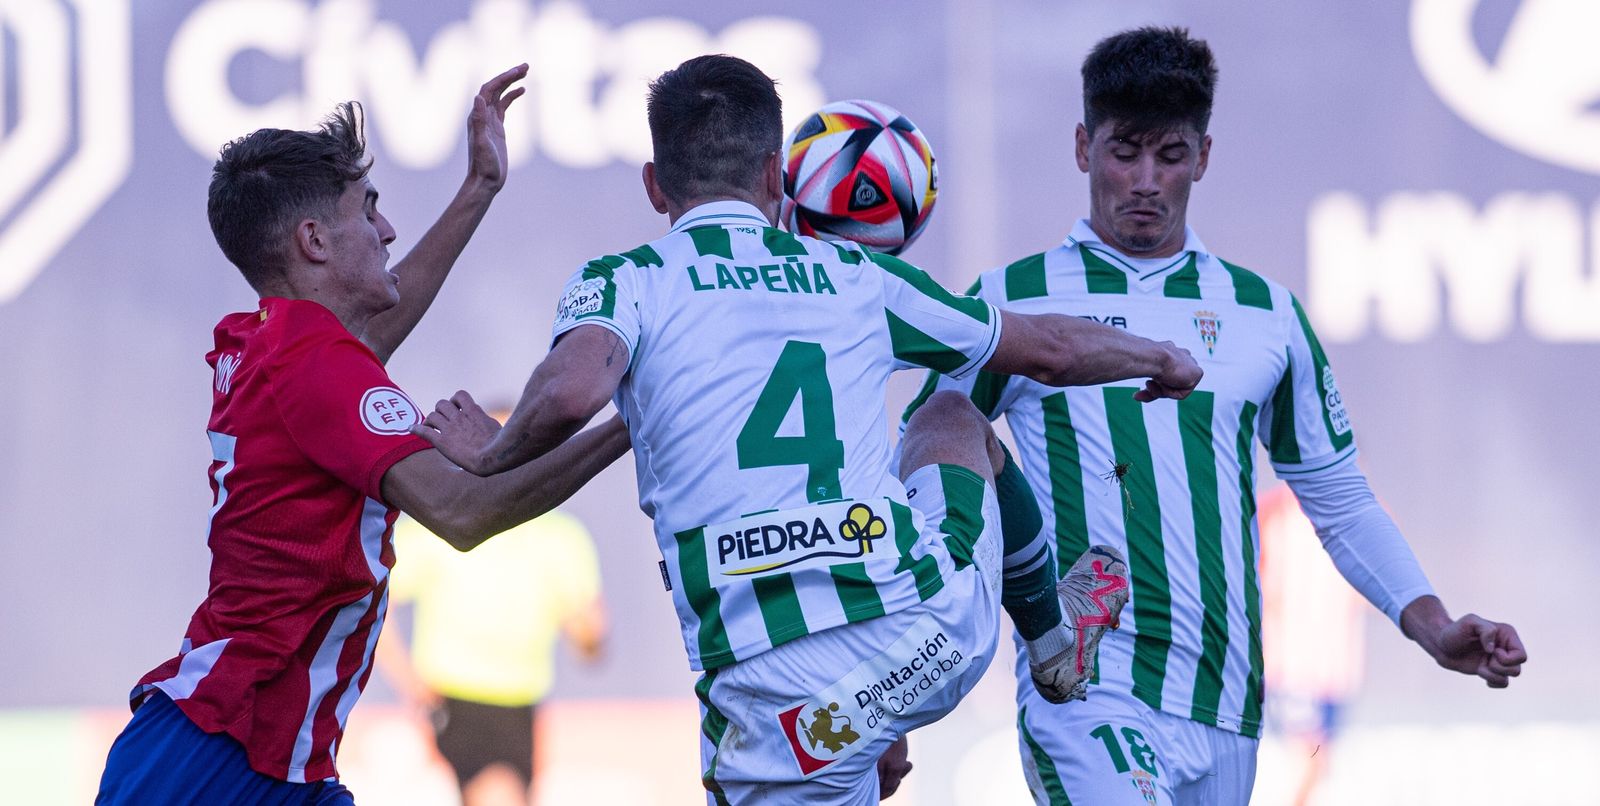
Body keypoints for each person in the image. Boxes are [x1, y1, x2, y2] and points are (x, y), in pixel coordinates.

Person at [410, 55, 1202, 803]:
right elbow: (1055, 351)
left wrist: (491, 449)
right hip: (929, 640)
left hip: (781, 725)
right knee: (950, 416)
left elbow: (571, 392)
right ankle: (1052, 642)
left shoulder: (628, 280)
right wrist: (1159, 355)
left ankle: (910, 709)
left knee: (821, 732)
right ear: (772, 177)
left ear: (656, 186)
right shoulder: (857, 276)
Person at [904, 26, 1529, 805]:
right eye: (1122, 150)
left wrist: (1433, 626)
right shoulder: (1010, 300)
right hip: (1089, 691)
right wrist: (891, 696)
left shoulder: (1266, 314)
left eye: (1168, 155)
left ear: (1202, 156)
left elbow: (1338, 502)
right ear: (1080, 147)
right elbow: (923, 468)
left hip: (1228, 707)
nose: (1144, 179)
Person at [95, 66, 632, 804]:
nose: (387, 229)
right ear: (314, 239)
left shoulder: (276, 339)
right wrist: (635, 420)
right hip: (218, 759)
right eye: (369, 210)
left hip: (270, 755)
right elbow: (466, 513)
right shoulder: (316, 366)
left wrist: (479, 187)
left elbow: (372, 326)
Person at [375, 479, 607, 805]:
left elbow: (592, 640)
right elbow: (378, 600)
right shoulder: (446, 524)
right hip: (453, 697)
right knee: (498, 794)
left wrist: (583, 629)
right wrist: (409, 683)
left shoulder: (559, 536)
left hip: (521, 704)